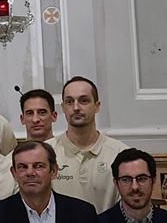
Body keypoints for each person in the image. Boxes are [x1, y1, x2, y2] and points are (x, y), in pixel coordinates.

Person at [52, 77, 130, 212]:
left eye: (84, 100)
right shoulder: (47, 152)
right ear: (63, 108)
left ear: (97, 106)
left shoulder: (121, 154)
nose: (76, 107)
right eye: (69, 102)